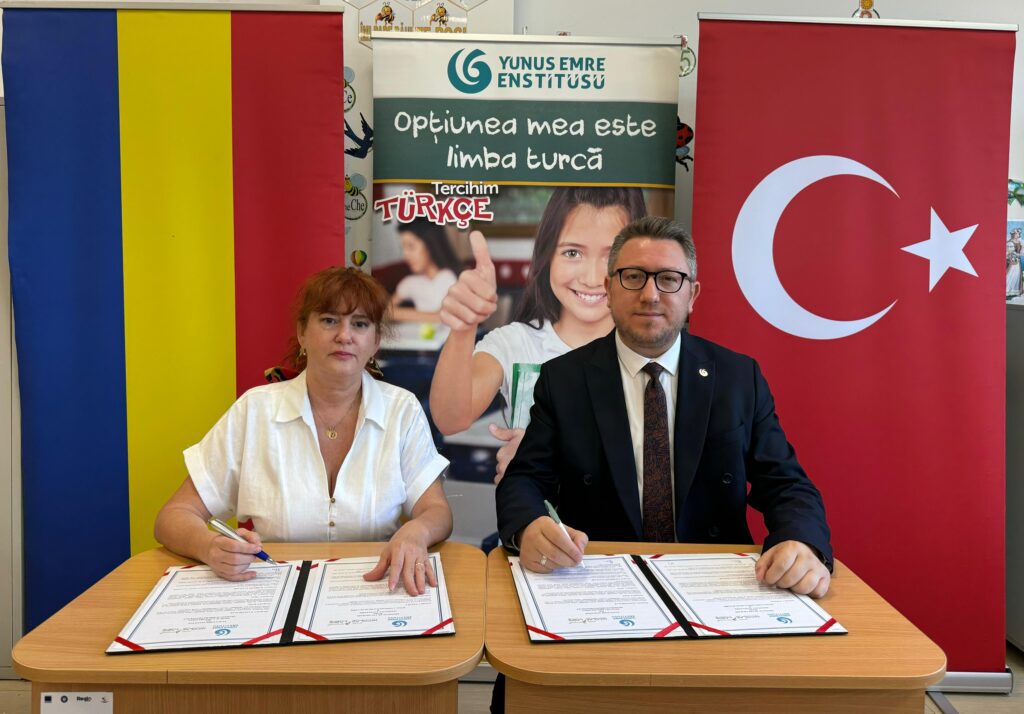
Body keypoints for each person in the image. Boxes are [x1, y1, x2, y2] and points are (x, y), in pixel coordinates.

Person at [496, 216, 833, 597]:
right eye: (633, 277)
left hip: (716, 582)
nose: (650, 295)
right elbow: (524, 480)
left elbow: (786, 484)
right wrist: (528, 525)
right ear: (608, 288)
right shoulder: (564, 379)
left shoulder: (738, 378)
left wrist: (800, 541)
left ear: (692, 294)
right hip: (601, 579)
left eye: (669, 279)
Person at [154, 267, 452, 596]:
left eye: (360, 324)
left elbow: (436, 511)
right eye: (329, 320)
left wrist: (417, 532)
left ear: (376, 341)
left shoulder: (402, 410)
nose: (344, 335)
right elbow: (174, 516)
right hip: (271, 591)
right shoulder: (254, 410)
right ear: (302, 333)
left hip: (375, 591)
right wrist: (209, 546)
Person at [429, 187, 647, 482]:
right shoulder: (514, 343)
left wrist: (545, 458)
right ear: (547, 255)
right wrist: (463, 328)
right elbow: (451, 419)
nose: (592, 278)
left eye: (613, 256)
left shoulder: (655, 352)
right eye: (572, 253)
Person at [391, 218, 462, 322]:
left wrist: (396, 313)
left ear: (430, 244)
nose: (406, 255)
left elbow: (442, 317)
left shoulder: (448, 277)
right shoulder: (410, 282)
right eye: (403, 248)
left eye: (411, 246)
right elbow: (385, 311)